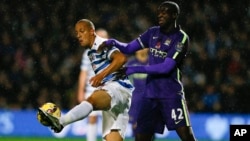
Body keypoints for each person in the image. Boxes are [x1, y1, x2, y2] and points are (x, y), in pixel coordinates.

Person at [99, 1, 197, 141]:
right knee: (141, 138)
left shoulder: (181, 38)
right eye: (159, 12)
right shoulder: (152, 33)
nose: (160, 14)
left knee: (187, 137)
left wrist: (132, 69)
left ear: (174, 15)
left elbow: (166, 68)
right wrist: (113, 42)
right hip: (150, 95)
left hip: (170, 95)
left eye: (165, 12)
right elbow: (128, 48)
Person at [39, 19, 134, 141]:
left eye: (82, 31)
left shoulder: (102, 44)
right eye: (76, 32)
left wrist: (101, 76)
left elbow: (121, 59)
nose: (78, 35)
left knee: (92, 100)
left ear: (91, 32)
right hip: (119, 97)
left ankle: (61, 122)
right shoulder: (90, 52)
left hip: (118, 89)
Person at [76, 28, 109, 141]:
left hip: (108, 90)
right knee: (92, 118)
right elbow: (83, 73)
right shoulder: (88, 53)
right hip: (91, 90)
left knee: (107, 119)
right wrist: (81, 91)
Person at [126, 48, 149, 137]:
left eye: (144, 47)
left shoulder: (153, 62)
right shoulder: (131, 63)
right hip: (135, 98)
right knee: (135, 124)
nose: (141, 49)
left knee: (150, 123)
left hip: (150, 96)